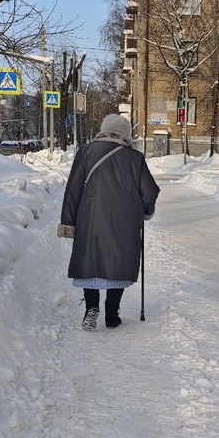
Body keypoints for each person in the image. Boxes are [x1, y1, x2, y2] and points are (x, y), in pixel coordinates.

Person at [59, 114, 159, 330]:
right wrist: (146, 211)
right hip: (124, 221)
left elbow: (73, 190)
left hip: (90, 218)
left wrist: (68, 222)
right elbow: (150, 191)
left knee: (91, 261)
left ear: (103, 130)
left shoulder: (86, 152)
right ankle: (112, 315)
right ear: (126, 135)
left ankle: (91, 308)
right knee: (118, 262)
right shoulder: (135, 158)